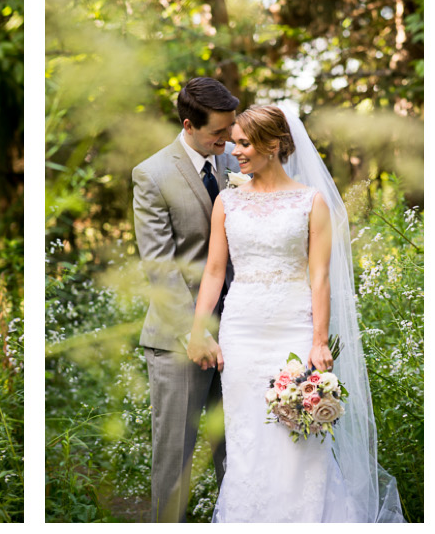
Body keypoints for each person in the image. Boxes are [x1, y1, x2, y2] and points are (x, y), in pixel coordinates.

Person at [188, 105, 404, 522]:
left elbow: (319, 277)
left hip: (293, 328)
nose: (235, 151)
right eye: (234, 142)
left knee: (296, 438)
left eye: (245, 143)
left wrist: (319, 341)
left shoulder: (311, 202)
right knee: (248, 438)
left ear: (273, 145)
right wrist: (200, 330)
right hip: (241, 334)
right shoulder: (227, 202)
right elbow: (214, 271)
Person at [131, 76, 239, 522]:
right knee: (174, 460)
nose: (229, 139)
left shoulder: (235, 162)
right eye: (219, 132)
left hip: (238, 333)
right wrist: (195, 333)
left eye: (231, 129)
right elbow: (160, 267)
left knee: (236, 457)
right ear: (190, 124)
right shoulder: (152, 174)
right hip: (179, 342)